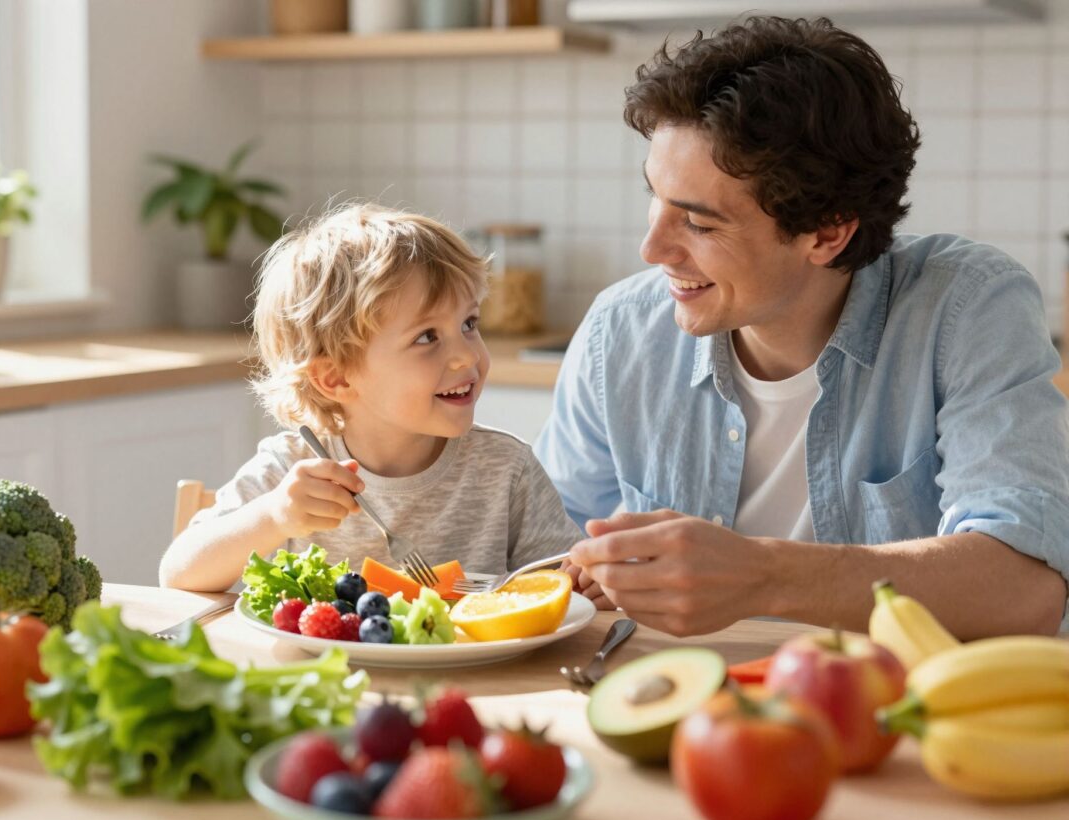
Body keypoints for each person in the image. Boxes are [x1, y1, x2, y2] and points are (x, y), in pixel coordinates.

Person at [537, 16, 1069, 639]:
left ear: (827, 232)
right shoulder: (620, 333)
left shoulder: (967, 308)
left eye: (699, 224)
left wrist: (762, 576)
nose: (651, 249)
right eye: (655, 197)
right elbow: (542, 559)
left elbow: (1026, 587)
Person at [160, 203, 584, 593]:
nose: (468, 356)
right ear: (335, 378)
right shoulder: (292, 468)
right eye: (427, 337)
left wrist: (591, 579)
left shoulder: (507, 470)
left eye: (469, 324)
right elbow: (178, 573)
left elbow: (565, 587)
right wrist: (273, 517)